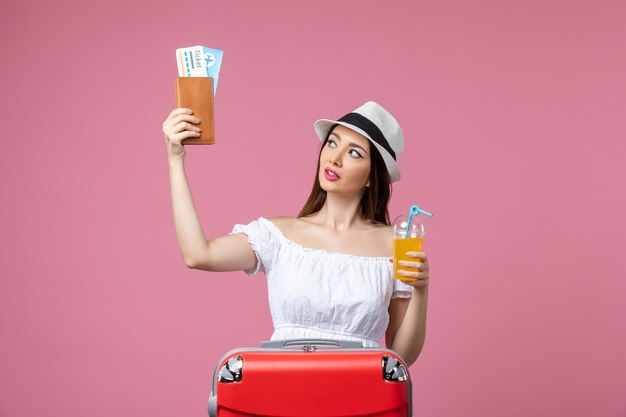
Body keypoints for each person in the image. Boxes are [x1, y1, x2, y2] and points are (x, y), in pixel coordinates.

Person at [162, 101, 430, 366]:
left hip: (362, 397)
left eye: (355, 153)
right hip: (286, 395)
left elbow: (400, 357)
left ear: (373, 177)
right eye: (332, 143)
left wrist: (420, 290)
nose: (334, 158)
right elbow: (198, 254)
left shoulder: (395, 244)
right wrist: (175, 161)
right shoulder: (278, 236)